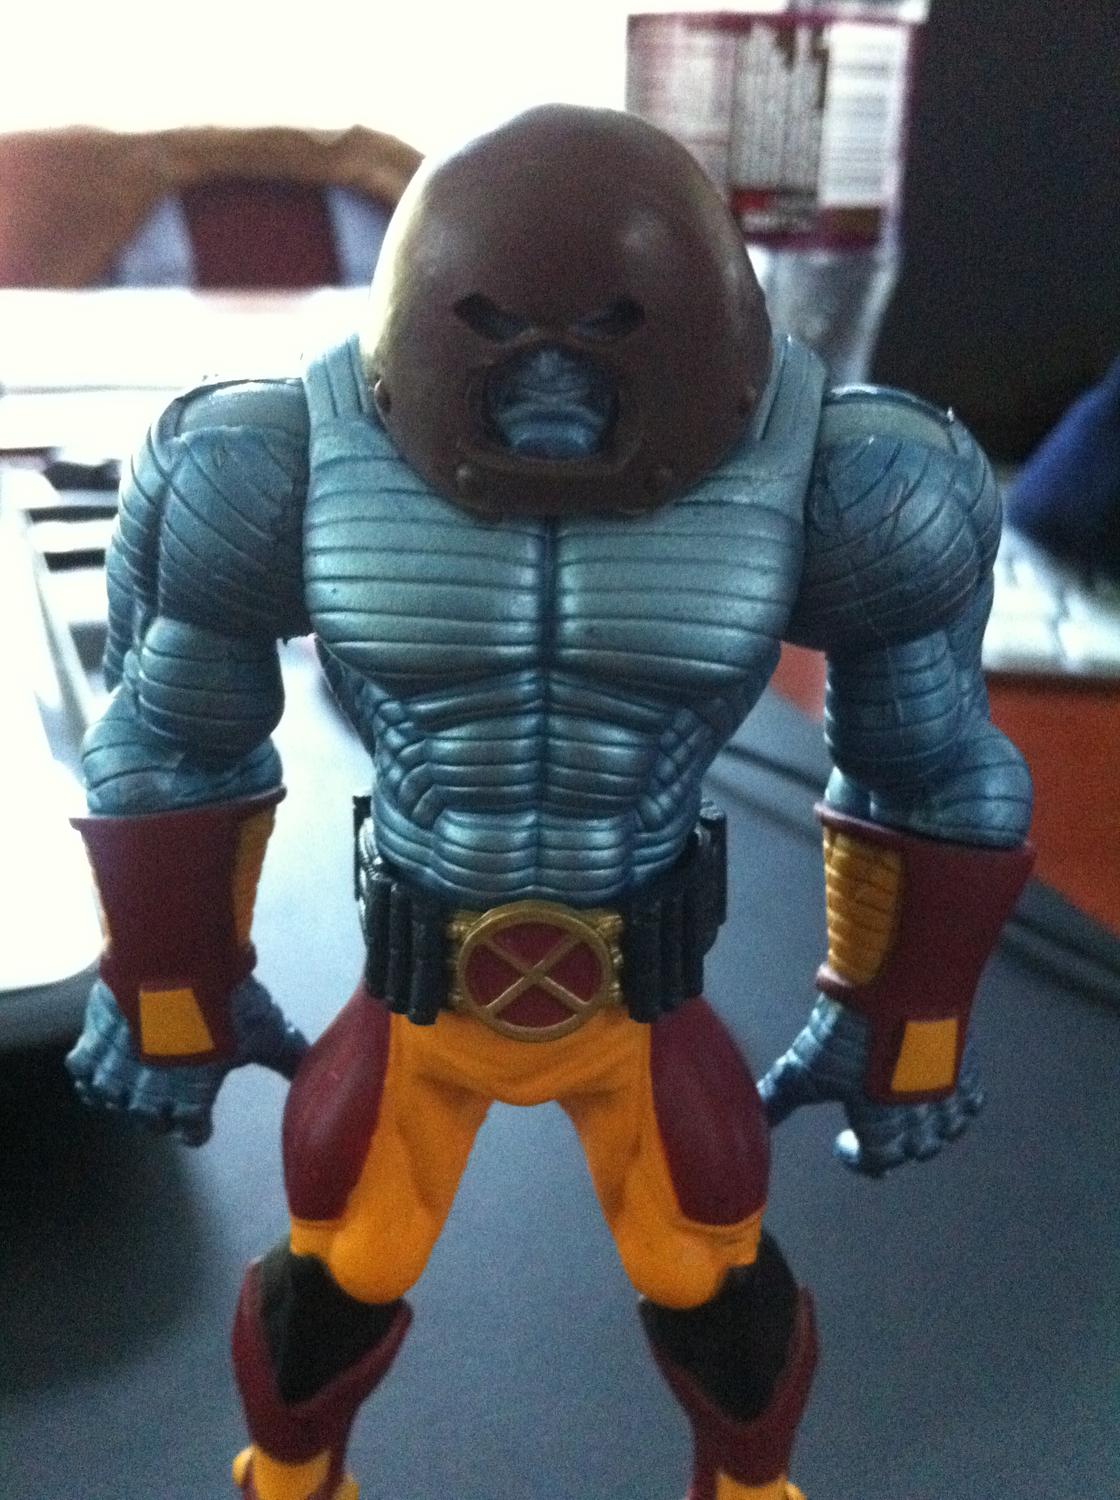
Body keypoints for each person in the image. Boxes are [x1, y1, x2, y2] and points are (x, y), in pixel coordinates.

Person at [67, 105, 1033, 1500]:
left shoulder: (852, 474)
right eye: (503, 346)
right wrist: (168, 992)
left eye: (603, 347)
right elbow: (166, 739)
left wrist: (903, 1033)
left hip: (639, 989)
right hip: (418, 990)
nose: (551, 400)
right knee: (332, 1274)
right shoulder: (267, 460)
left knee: (716, 1283)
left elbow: (931, 770)